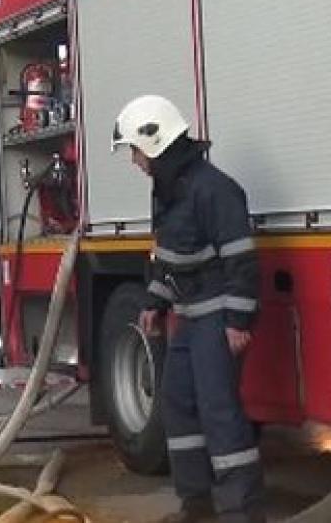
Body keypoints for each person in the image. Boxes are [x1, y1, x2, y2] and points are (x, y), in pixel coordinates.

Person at [112, 95, 264, 523]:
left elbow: (241, 260)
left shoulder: (215, 189)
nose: (134, 161)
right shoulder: (169, 190)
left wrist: (237, 321)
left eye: (135, 151)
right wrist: (155, 302)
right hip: (189, 316)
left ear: (156, 142)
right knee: (178, 404)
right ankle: (196, 505)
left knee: (219, 412)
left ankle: (242, 512)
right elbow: (168, 255)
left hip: (216, 318)